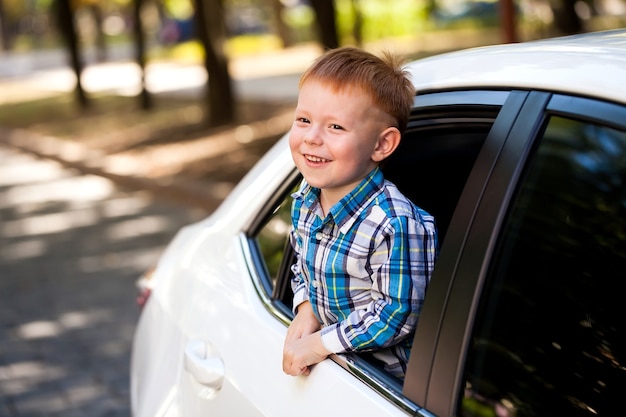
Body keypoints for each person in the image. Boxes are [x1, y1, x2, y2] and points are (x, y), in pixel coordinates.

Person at [282, 46, 438, 380]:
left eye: (335, 127)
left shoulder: (395, 223)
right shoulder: (305, 201)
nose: (311, 138)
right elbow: (303, 267)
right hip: (336, 367)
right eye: (304, 120)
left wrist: (320, 343)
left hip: (385, 382)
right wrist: (306, 308)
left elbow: (396, 314)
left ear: (382, 145)